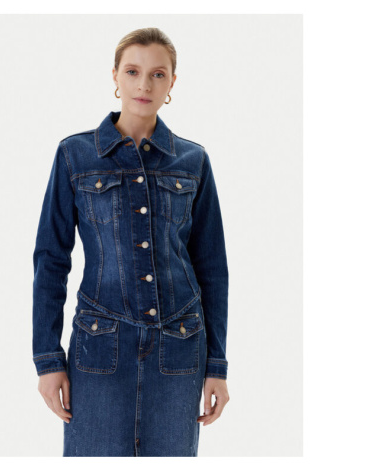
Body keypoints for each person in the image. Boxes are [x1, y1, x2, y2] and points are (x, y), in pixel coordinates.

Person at [32, 27, 230, 457]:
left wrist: (217, 366)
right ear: (115, 76)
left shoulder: (193, 161)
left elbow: (212, 268)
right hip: (99, 349)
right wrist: (47, 359)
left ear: (172, 82)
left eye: (158, 74)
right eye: (133, 71)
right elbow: (51, 260)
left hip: (179, 347)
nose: (144, 85)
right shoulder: (75, 155)